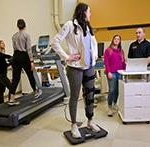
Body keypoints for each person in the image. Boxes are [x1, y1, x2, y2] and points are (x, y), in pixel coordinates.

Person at [51, 3, 100, 138]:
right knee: (74, 96)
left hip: (89, 66)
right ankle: (73, 124)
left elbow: (94, 43)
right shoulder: (69, 25)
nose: (90, 14)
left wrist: (94, 56)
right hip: (75, 68)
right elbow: (55, 42)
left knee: (90, 95)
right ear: (83, 12)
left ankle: (90, 121)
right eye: (89, 12)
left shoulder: (88, 27)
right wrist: (67, 57)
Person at [10, 19, 40, 104]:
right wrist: (31, 61)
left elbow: (14, 48)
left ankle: (11, 98)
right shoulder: (26, 35)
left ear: (17, 26)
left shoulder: (14, 36)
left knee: (15, 78)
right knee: (30, 74)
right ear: (25, 25)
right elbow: (28, 49)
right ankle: (35, 92)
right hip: (24, 56)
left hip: (15, 56)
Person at [104, 35, 126, 117]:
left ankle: (115, 103)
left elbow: (123, 63)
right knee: (111, 90)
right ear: (112, 40)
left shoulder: (121, 51)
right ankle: (109, 107)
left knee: (117, 90)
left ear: (120, 41)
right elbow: (106, 62)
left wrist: (127, 68)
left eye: (118, 39)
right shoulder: (108, 50)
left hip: (120, 72)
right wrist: (108, 72)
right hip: (111, 73)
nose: (116, 40)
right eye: (115, 39)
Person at [0, 40, 13, 104]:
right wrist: (12, 62)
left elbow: (7, 56)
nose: (4, 44)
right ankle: (11, 101)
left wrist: (13, 58)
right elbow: (4, 65)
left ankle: (1, 103)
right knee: (12, 87)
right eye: (2, 43)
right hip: (1, 75)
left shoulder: (0, 54)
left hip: (2, 75)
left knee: (1, 90)